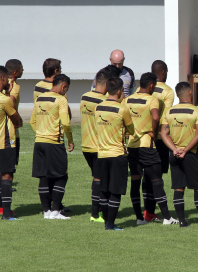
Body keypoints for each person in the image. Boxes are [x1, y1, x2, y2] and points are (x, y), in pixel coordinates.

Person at [161, 81, 198, 228]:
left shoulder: (169, 112)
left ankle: (182, 222)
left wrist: (174, 149)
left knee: (178, 188)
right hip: (190, 155)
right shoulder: (196, 111)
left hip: (174, 155)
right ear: (190, 92)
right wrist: (185, 150)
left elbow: (163, 134)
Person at [126, 72, 178, 225]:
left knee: (136, 181)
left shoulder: (128, 100)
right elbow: (156, 117)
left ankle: (139, 218)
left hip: (132, 145)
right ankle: (167, 218)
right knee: (156, 180)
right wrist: (154, 133)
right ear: (150, 86)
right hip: (147, 145)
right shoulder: (152, 100)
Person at [30, 74, 74, 220]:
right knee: (62, 175)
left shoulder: (40, 98)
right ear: (63, 86)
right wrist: (70, 140)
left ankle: (46, 211)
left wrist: (41, 133)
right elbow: (66, 123)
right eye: (66, 89)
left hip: (39, 142)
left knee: (43, 176)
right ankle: (55, 210)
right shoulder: (61, 99)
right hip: (54, 143)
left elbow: (32, 121)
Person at [95, 77, 134, 231]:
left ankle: (106, 223)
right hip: (117, 154)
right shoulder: (122, 109)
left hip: (102, 154)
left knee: (104, 190)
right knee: (116, 191)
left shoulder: (99, 107)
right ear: (119, 91)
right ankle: (111, 224)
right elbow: (131, 130)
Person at [143, 60, 175, 222]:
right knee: (157, 177)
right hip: (159, 139)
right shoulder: (168, 92)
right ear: (162, 72)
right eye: (167, 71)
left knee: (145, 176)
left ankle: (146, 211)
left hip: (142, 137)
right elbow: (165, 118)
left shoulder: (140, 89)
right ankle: (152, 211)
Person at [80, 69, 111, 223]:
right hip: (98, 146)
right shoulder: (104, 101)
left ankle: (100, 210)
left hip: (86, 145)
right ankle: (95, 214)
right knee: (99, 179)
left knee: (98, 177)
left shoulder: (84, 96)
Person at [0, 66, 23, 220]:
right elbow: (18, 121)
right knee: (7, 176)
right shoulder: (5, 100)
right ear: (2, 79)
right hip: (5, 144)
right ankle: (7, 213)